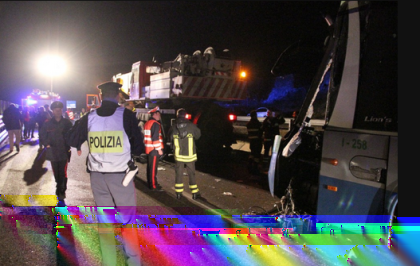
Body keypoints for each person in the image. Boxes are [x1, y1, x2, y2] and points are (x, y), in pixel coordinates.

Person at [69, 81, 144, 266]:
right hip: (120, 177)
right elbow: (138, 147)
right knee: (127, 221)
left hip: (97, 178)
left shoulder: (89, 117)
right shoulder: (126, 115)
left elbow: (72, 138)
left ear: (101, 97)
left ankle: (109, 262)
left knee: (105, 222)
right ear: (118, 95)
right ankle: (133, 262)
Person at [39, 101, 73, 206]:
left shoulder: (67, 123)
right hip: (53, 152)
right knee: (56, 173)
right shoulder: (47, 123)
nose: (58, 111)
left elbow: (72, 135)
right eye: (56, 110)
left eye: (60, 110)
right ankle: (60, 186)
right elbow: (42, 135)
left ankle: (61, 192)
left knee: (63, 172)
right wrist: (46, 144)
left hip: (63, 151)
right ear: (52, 111)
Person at [167, 108, 201, 200]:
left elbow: (169, 139)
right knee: (191, 174)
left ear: (177, 116)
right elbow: (198, 136)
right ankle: (194, 193)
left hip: (179, 156)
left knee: (179, 173)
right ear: (185, 115)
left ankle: (178, 193)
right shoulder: (191, 126)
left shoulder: (173, 127)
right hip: (190, 155)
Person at [144, 106, 165, 191]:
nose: (159, 116)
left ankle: (151, 183)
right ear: (155, 114)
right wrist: (159, 149)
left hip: (149, 149)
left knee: (150, 168)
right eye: (158, 114)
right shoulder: (155, 124)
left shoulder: (148, 123)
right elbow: (155, 138)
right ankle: (153, 186)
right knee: (153, 169)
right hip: (154, 150)